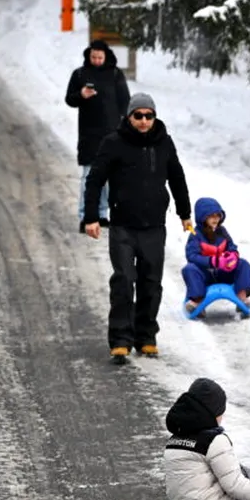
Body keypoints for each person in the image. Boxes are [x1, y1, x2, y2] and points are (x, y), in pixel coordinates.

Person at [84, 93, 192, 360]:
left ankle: (146, 336)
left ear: (154, 117)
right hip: (123, 226)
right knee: (124, 280)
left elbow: (177, 177)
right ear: (129, 116)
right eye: (138, 116)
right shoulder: (114, 143)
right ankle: (120, 339)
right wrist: (91, 217)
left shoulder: (164, 143)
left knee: (151, 283)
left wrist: (184, 213)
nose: (144, 121)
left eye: (149, 115)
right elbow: (95, 180)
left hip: (154, 225)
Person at [65, 40, 130, 232]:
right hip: (88, 134)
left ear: (106, 56)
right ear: (89, 55)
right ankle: (85, 216)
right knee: (88, 176)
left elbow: (125, 103)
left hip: (112, 134)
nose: (97, 60)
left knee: (108, 177)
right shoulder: (79, 74)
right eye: (93, 57)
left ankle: (102, 215)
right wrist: (81, 95)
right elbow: (69, 99)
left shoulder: (116, 74)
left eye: (100, 57)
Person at [182, 197, 250, 314]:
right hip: (205, 275)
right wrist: (212, 261)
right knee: (189, 269)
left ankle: (241, 296)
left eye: (218, 216)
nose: (216, 219)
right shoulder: (196, 234)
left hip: (223, 272)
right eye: (212, 216)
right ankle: (198, 301)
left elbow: (231, 246)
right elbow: (191, 256)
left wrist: (232, 256)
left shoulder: (222, 231)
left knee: (242, 263)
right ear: (202, 217)